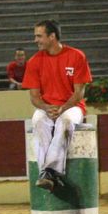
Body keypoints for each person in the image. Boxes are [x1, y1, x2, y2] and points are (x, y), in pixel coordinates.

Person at [22, 19, 93, 193]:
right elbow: (34, 97)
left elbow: (79, 93)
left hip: (72, 107)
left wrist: (63, 108)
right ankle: (49, 172)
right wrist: (47, 108)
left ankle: (48, 171)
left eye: (39, 36)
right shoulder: (34, 62)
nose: (35, 40)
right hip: (47, 107)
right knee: (38, 121)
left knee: (66, 121)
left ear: (52, 36)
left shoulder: (77, 56)